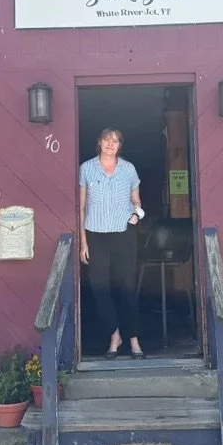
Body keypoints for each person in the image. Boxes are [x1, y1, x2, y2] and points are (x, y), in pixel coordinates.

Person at [79, 128, 145, 359]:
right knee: (100, 289)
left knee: (127, 288)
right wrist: (83, 242)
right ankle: (114, 335)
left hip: (124, 234)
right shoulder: (86, 168)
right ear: (99, 142)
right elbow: (82, 207)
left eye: (115, 141)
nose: (110, 144)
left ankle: (134, 339)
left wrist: (137, 215)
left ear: (120, 146)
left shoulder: (128, 169)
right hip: (95, 235)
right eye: (106, 139)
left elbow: (137, 202)